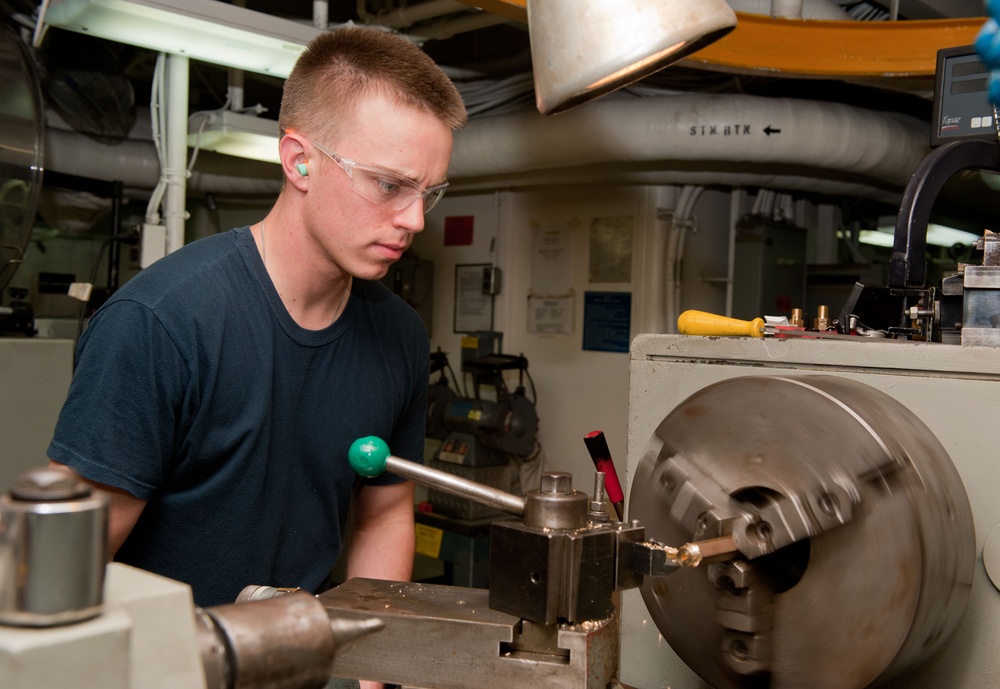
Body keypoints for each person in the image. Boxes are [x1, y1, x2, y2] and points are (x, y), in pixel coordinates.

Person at [48, 24, 466, 629]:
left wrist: (374, 665)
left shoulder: (398, 335)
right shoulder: (160, 325)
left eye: (428, 192)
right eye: (389, 185)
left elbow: (383, 515)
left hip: (305, 657)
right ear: (300, 161)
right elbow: (65, 571)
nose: (413, 220)